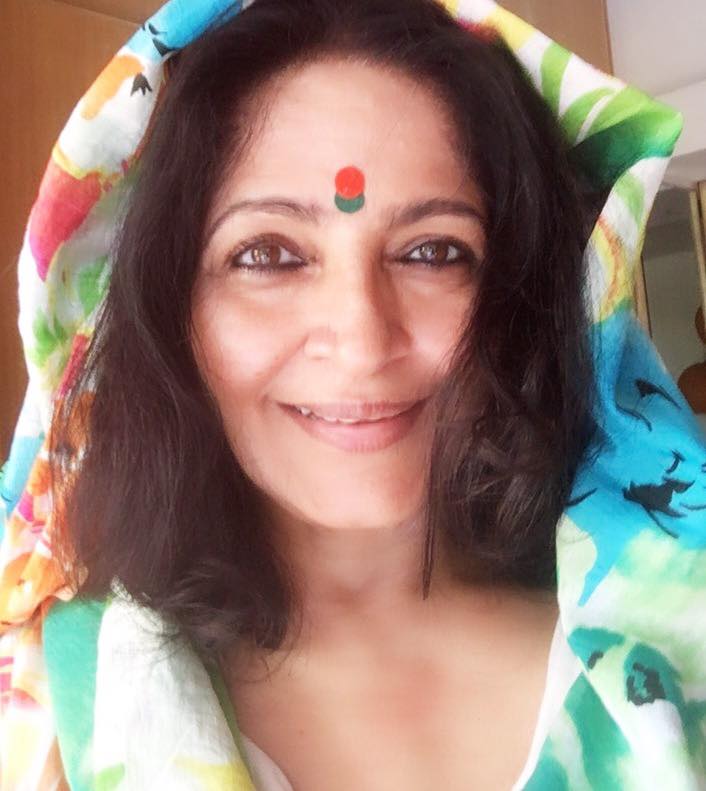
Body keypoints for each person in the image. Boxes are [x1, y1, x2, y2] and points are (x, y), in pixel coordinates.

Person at [1, 0, 704, 789]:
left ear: (525, 298)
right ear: (171, 311)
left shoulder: (678, 648)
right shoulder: (50, 709)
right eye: (268, 255)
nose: (364, 343)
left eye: (432, 252)